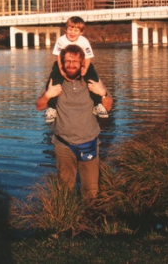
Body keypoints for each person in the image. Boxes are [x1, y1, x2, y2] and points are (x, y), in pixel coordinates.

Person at [36, 44, 113, 199]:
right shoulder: (55, 81)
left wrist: (103, 93)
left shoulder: (93, 80)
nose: (71, 65)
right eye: (68, 61)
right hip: (63, 145)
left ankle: (89, 217)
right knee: (64, 189)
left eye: (75, 61)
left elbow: (109, 106)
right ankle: (65, 219)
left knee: (91, 191)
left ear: (82, 63)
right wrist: (48, 95)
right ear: (62, 63)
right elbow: (39, 106)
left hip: (89, 143)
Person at [44, 16, 108, 124]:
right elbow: (59, 57)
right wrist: (61, 69)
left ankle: (97, 104)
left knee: (94, 79)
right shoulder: (61, 40)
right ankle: (52, 108)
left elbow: (88, 57)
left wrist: (85, 69)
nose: (72, 32)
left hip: (82, 63)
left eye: (76, 30)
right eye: (70, 29)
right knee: (53, 79)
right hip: (62, 63)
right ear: (66, 29)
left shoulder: (84, 41)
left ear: (81, 32)